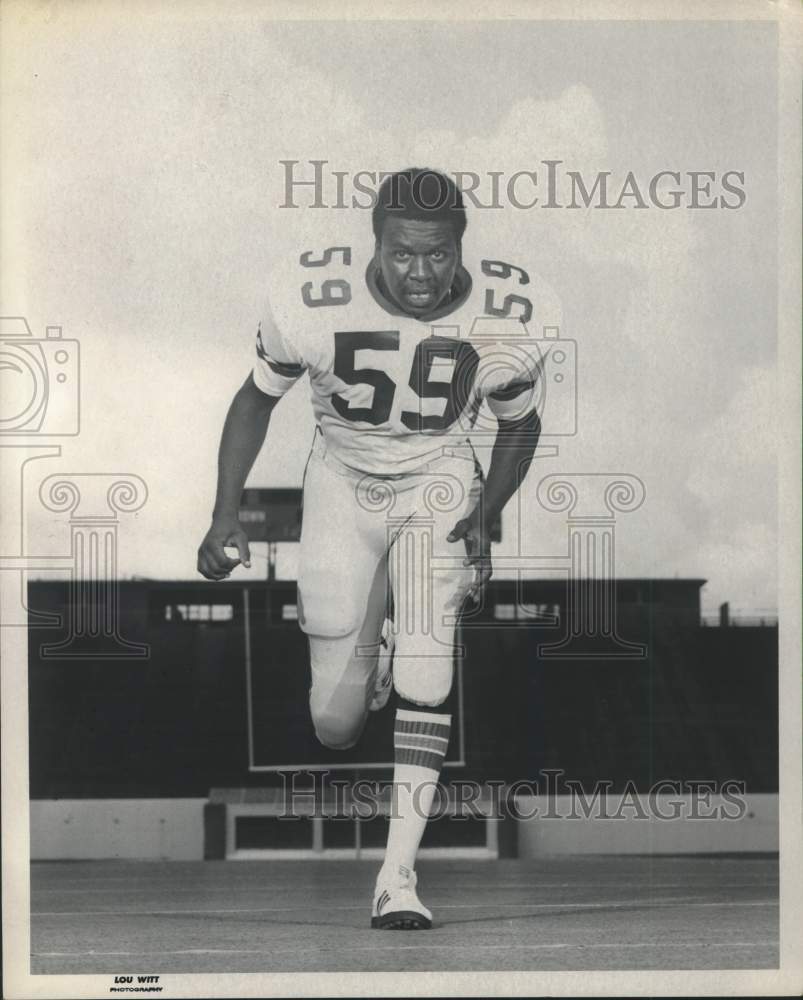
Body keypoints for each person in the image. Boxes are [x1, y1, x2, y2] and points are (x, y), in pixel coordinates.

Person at [197, 167, 544, 929]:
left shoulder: (507, 312)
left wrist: (486, 514)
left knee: (428, 667)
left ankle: (397, 878)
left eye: (437, 254)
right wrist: (224, 511)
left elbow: (519, 423)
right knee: (334, 724)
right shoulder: (310, 298)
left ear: (461, 246)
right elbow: (256, 398)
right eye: (401, 253)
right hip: (341, 477)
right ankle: (366, 641)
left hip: (439, 475)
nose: (420, 274)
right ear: (374, 243)